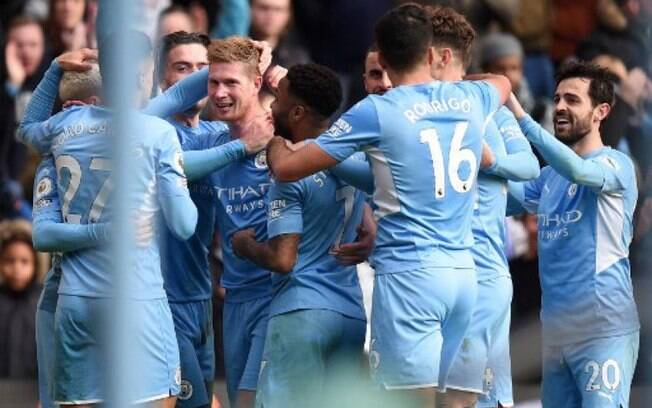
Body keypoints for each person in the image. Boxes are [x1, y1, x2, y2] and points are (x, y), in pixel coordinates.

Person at [265, 4, 511, 406]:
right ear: (432, 54)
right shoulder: (471, 96)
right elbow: (502, 82)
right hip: (466, 276)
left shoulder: (378, 110)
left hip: (411, 277)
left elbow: (289, 168)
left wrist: (276, 136)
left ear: (384, 58)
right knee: (457, 402)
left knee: (409, 401)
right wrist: (453, 83)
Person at [18, 34, 198, 406]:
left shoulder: (63, 128)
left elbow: (26, 127)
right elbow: (184, 225)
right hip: (137, 299)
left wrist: (55, 68)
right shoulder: (158, 133)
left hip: (76, 303)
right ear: (140, 77)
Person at [422, 6, 540, 408]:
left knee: (464, 398)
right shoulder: (419, 112)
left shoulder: (485, 110)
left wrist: (492, 165)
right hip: (451, 277)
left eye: (419, 54)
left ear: (442, 57)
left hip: (477, 277)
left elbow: (527, 182)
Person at [231, 63, 367, 408]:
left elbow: (282, 258)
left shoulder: (290, 171)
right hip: (351, 313)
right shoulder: (353, 159)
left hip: (302, 312)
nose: (270, 106)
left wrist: (244, 246)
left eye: (277, 99)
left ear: (297, 112)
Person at [506, 61, 639, 408]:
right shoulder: (549, 178)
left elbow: (579, 170)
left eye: (573, 100)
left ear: (601, 112)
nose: (561, 106)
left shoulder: (617, 165)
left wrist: (522, 119)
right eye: (557, 98)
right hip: (554, 334)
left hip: (602, 329)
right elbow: (502, 196)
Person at [155, 30, 272, 408]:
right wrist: (241, 146)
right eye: (185, 69)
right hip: (167, 298)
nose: (217, 90)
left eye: (204, 69)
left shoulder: (257, 132)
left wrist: (277, 74)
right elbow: (172, 165)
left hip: (235, 296)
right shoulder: (166, 135)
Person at [0, 219, 41, 379]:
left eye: (24, 262)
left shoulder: (45, 302)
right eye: (9, 261)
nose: (17, 269)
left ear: (36, 264)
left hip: (33, 393)